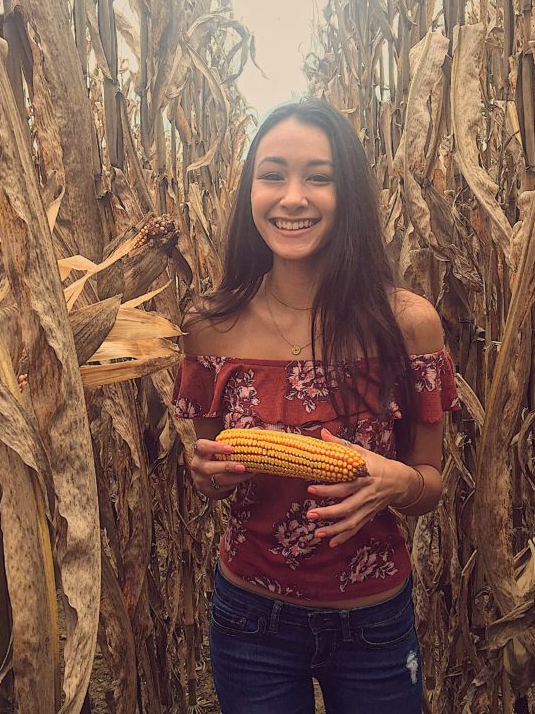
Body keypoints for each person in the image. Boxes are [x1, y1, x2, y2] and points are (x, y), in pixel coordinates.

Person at [171, 99, 459, 713]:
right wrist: (207, 476)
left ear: (347, 192)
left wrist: (398, 482)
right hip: (252, 621)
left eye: (318, 177)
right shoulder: (210, 330)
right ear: (250, 191)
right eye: (272, 174)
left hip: (373, 622)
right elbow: (214, 482)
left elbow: (431, 485)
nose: (292, 197)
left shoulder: (407, 324)